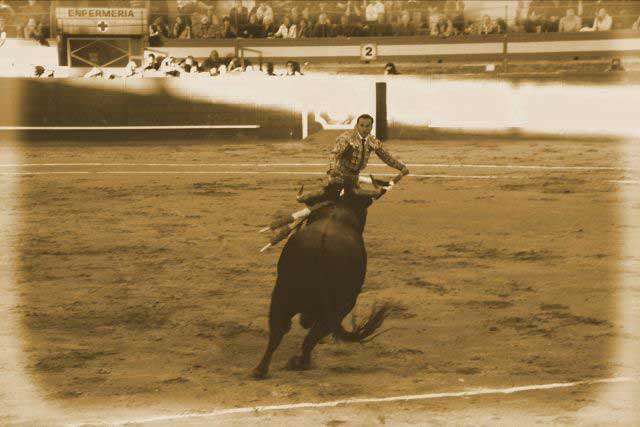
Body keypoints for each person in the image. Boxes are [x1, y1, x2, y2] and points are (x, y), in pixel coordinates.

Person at [298, 114, 409, 206]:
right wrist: (332, 170)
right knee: (328, 194)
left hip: (354, 178)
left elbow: (386, 157)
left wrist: (401, 167)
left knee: (362, 202)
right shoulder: (347, 138)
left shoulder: (372, 141)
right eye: (362, 125)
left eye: (367, 126)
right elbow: (334, 154)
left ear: (371, 127)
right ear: (357, 126)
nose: (364, 128)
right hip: (339, 175)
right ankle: (304, 199)